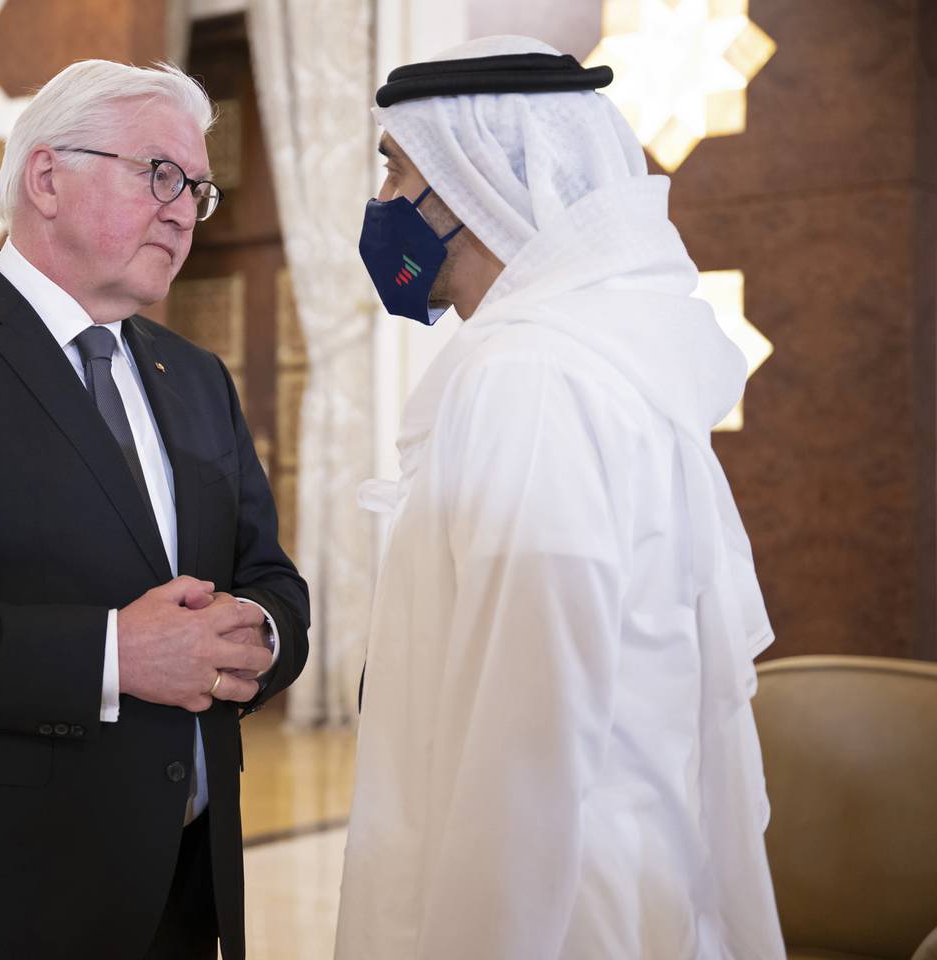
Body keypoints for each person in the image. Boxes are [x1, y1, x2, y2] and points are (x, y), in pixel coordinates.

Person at [0, 59, 308, 960]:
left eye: (199, 187)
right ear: (46, 178)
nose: (185, 207)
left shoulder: (194, 377)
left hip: (179, 893)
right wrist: (115, 653)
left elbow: (268, 575)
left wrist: (260, 634)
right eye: (160, 174)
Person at [335, 36, 786, 959]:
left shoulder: (533, 378)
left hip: (556, 913)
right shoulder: (589, 357)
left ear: (471, 182)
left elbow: (525, 748)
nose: (383, 207)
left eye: (396, 172)